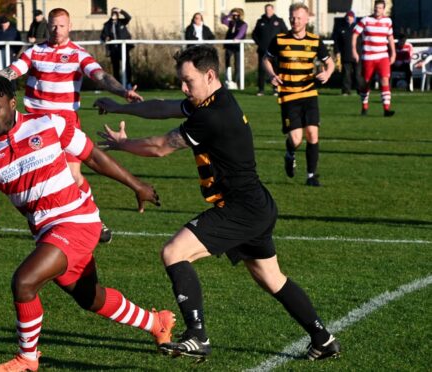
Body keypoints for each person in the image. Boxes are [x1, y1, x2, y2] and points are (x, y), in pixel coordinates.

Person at [93, 45, 340, 362]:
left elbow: (161, 147)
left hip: (240, 208)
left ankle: (197, 336)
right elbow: (163, 106)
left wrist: (122, 144)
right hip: (256, 205)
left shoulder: (213, 114)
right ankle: (323, 339)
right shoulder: (209, 101)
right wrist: (119, 108)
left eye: (188, 81)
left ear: (209, 75)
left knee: (174, 252)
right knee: (271, 278)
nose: (183, 88)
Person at [0, 76, 174, 372]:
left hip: (78, 220)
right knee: (91, 298)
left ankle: (27, 360)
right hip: (47, 232)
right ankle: (157, 322)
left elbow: (93, 156)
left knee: (24, 282)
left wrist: (136, 184)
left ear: (12, 103)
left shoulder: (49, 123)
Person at [0, 8, 143, 244]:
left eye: (61, 26)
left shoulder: (77, 54)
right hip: (32, 126)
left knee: (73, 175)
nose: (56, 30)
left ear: (69, 26)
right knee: (34, 181)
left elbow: (100, 76)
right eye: (53, 26)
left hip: (66, 122)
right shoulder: (35, 52)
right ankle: (47, 223)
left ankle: (92, 217)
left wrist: (122, 90)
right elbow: (10, 73)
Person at [262, 3, 334, 187]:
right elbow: (266, 59)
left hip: (309, 93)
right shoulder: (279, 39)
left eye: (299, 18)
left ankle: (311, 176)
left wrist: (327, 73)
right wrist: (272, 75)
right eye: (292, 18)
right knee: (296, 139)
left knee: (312, 134)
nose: (295, 21)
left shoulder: (315, 41)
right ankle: (290, 152)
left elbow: (330, 63)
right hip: (288, 96)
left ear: (307, 19)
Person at [352, 0, 396, 116]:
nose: (377, 10)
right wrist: (354, 51)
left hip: (383, 56)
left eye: (380, 8)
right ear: (374, 8)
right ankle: (364, 106)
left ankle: (386, 109)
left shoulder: (388, 21)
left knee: (384, 79)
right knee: (366, 82)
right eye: (376, 8)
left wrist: (393, 53)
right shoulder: (366, 20)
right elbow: (355, 34)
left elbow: (390, 38)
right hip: (368, 57)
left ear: (383, 9)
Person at [252, 4, 287, 96]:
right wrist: (260, 44)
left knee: (276, 70)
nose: (268, 11)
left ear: (273, 10)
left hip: (276, 52)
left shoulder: (279, 21)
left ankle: (276, 89)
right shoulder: (260, 21)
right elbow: (254, 35)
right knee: (262, 70)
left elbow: (285, 33)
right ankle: (261, 90)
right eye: (266, 9)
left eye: (269, 9)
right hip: (263, 51)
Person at [100, 7, 134, 88]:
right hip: (114, 50)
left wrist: (121, 11)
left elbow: (129, 17)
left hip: (123, 49)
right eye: (113, 13)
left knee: (127, 66)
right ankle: (117, 85)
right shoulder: (107, 25)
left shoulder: (122, 22)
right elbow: (103, 35)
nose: (114, 15)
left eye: (116, 13)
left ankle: (128, 83)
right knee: (116, 67)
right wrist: (106, 38)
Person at [332, 10, 364, 95]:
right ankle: (346, 91)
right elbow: (337, 42)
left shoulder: (359, 29)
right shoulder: (341, 29)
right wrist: (337, 52)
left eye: (351, 17)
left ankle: (360, 90)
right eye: (348, 17)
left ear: (354, 18)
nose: (349, 18)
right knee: (346, 74)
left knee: (358, 74)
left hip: (357, 55)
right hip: (345, 55)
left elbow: (364, 41)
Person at [221, 8, 247, 89]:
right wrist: (229, 14)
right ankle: (228, 81)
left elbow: (241, 32)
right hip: (229, 46)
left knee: (237, 64)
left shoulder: (243, 24)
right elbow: (223, 20)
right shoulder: (231, 23)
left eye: (236, 15)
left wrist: (237, 38)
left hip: (238, 46)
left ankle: (236, 82)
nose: (235, 16)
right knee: (228, 63)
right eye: (234, 15)